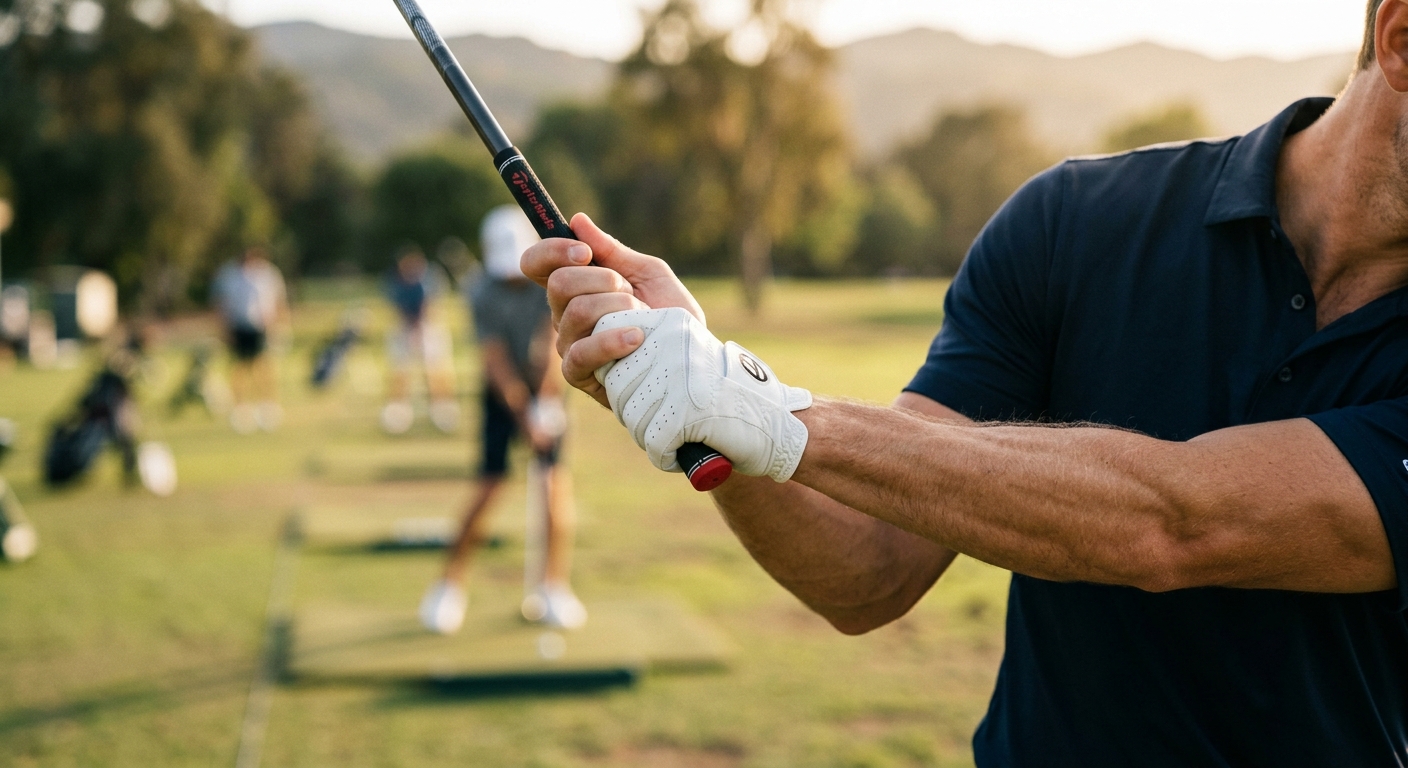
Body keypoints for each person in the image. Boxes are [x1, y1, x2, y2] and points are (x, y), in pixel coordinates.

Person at [525, 3, 1408, 764]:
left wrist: (752, 402)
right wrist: (706, 414)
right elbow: (865, 574)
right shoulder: (1076, 223)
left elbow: (1176, 521)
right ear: (1400, 38)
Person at [419, 205, 585, 634]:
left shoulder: (547, 280)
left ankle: (554, 587)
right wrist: (522, 413)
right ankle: (448, 588)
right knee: (489, 486)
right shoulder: (480, 290)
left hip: (547, 386)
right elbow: (494, 362)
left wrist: (544, 403)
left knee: (553, 485)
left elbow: (552, 344)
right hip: (500, 394)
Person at [380, 247, 459, 434]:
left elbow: (430, 304)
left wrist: (420, 328)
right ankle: (398, 413)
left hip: (429, 327)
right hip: (404, 328)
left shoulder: (429, 278)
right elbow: (398, 307)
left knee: (436, 370)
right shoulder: (393, 281)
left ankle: (443, 411)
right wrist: (410, 328)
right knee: (400, 370)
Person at [211, 246, 289, 434]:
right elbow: (222, 303)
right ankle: (240, 409)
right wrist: (224, 328)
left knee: (264, 367)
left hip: (260, 327)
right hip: (238, 326)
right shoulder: (229, 274)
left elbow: (278, 300)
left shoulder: (268, 273)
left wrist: (280, 324)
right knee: (239, 368)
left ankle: (268, 406)